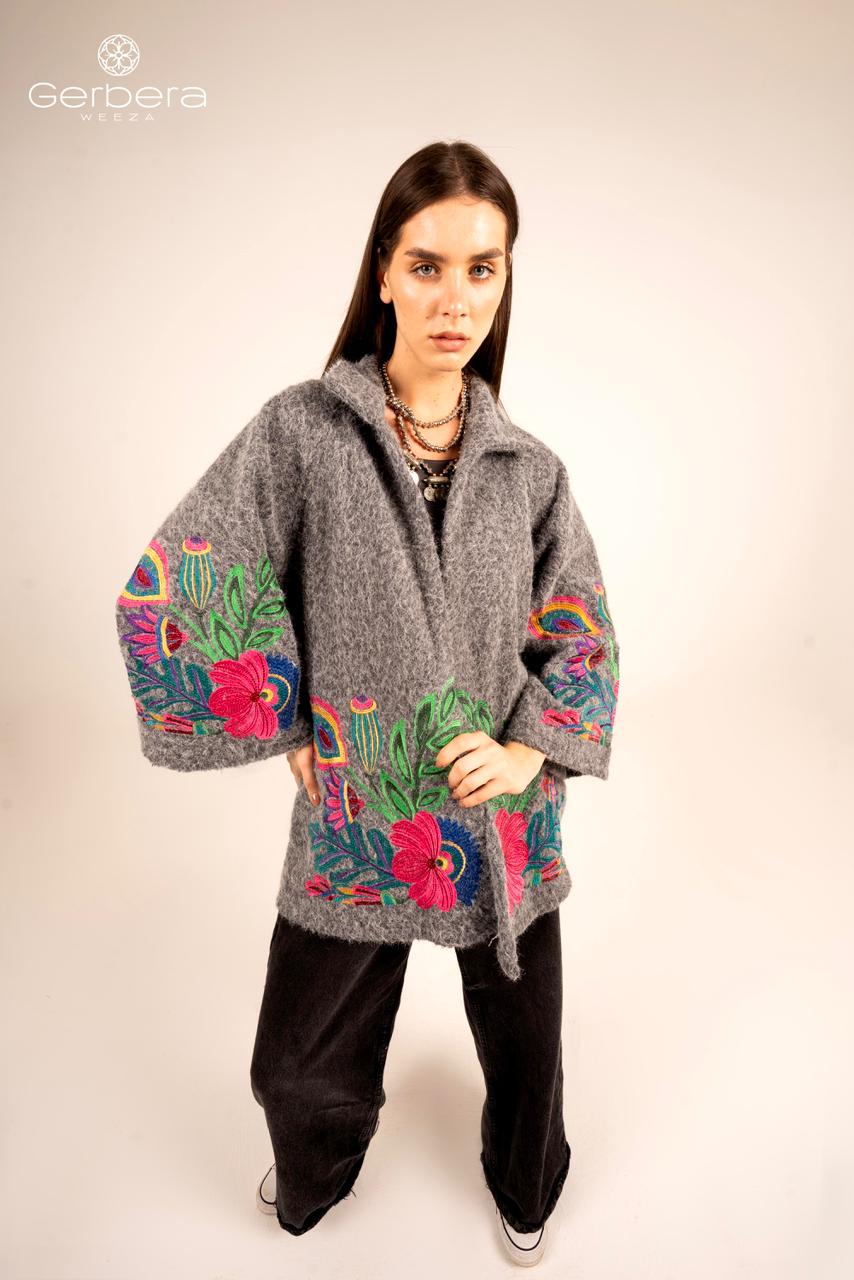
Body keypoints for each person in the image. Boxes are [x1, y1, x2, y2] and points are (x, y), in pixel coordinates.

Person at [114, 139, 620, 1265]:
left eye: (482, 268)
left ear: (506, 278)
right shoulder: (303, 432)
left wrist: (532, 751)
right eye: (427, 266)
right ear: (383, 270)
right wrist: (281, 712)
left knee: (530, 1058)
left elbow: (579, 626)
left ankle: (524, 1182)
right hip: (358, 811)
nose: (456, 299)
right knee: (295, 1063)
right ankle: (316, 1170)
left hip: (495, 819)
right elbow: (195, 566)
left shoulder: (530, 470)